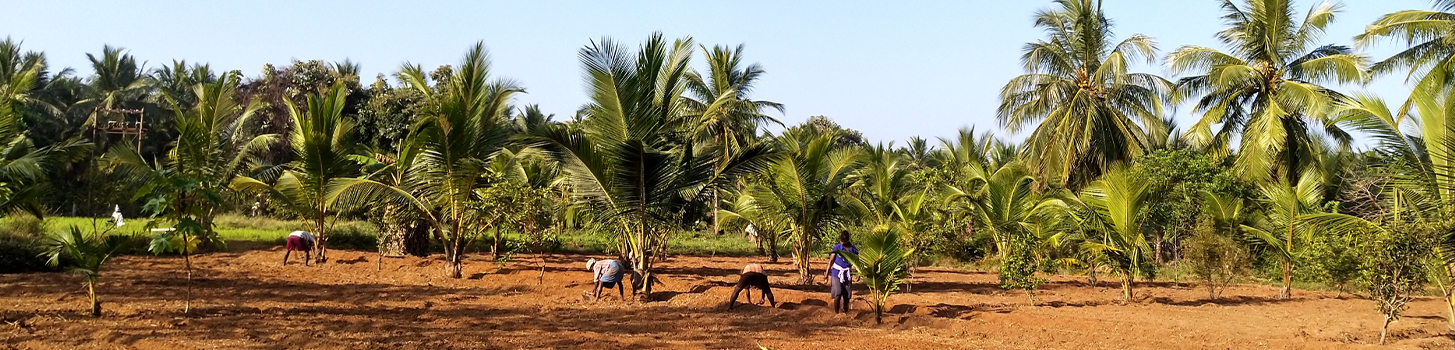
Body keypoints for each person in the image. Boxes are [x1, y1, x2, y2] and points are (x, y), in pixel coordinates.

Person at [823, 230, 858, 314]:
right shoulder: (837, 248)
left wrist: (857, 273)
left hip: (847, 273)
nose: (841, 242)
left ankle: (845, 312)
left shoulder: (853, 250)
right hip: (837, 273)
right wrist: (827, 273)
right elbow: (831, 261)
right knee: (838, 293)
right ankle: (836, 313)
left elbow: (856, 262)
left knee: (846, 296)